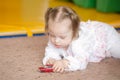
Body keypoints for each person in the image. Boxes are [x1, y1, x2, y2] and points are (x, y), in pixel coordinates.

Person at [42, 6, 120, 73]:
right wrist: (51, 59)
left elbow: (81, 61)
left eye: (62, 37)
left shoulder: (79, 42)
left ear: (74, 33)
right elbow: (51, 50)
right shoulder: (57, 34)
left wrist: (65, 62)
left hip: (106, 35)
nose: (56, 41)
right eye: (52, 35)